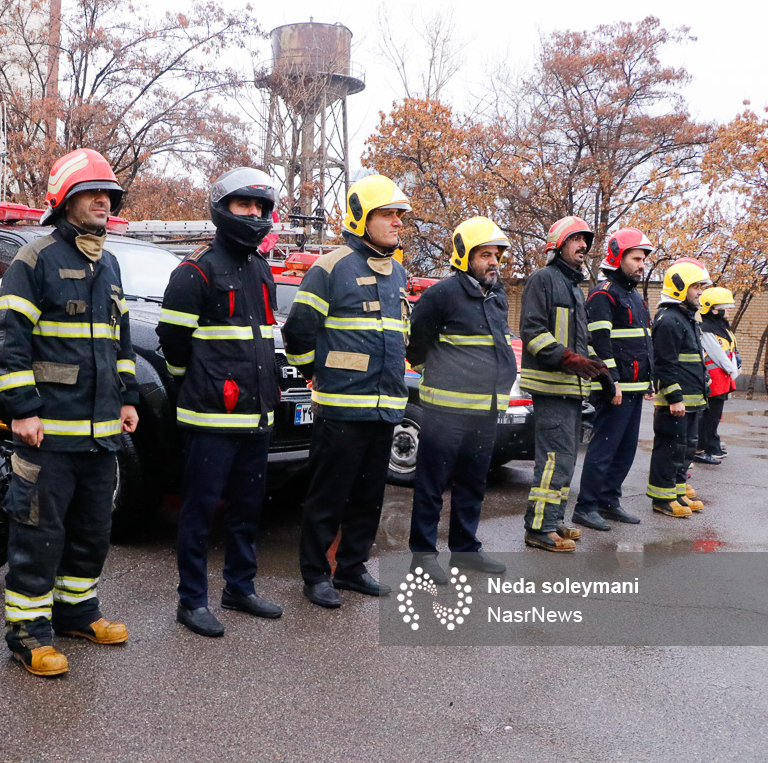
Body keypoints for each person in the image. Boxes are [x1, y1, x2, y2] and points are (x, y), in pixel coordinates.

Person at [0, 148, 139, 675]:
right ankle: (28, 632)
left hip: (100, 436)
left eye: (109, 194)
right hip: (48, 435)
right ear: (64, 200)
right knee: (38, 534)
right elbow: (9, 343)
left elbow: (120, 341)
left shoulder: (110, 263)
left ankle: (77, 611)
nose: (103, 201)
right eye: (91, 192)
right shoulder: (35, 260)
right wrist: (23, 410)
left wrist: (127, 397)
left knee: (92, 529)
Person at [157, 168, 282, 636]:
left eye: (260, 206)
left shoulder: (261, 268)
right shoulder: (196, 269)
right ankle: (191, 601)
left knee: (247, 509)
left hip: (256, 415)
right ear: (221, 208)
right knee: (199, 511)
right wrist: (201, 384)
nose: (253, 213)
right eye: (244, 204)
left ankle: (239, 588)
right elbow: (173, 343)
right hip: (210, 417)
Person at [281, 175, 410, 606]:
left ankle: (352, 568)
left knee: (369, 498)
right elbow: (298, 331)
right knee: (327, 498)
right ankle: (316, 575)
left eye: (399, 215)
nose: (397, 222)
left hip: (384, 408)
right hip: (341, 409)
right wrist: (312, 373)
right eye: (387, 214)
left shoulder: (398, 273)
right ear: (361, 218)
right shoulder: (331, 267)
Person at [404, 217, 517, 580]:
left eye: (496, 255)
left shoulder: (497, 296)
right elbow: (416, 344)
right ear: (464, 256)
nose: (493, 262)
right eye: (485, 255)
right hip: (444, 413)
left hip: (485, 412)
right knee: (432, 486)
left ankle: (465, 551)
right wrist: (437, 373)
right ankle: (423, 558)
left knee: (472, 485)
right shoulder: (441, 295)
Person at [519, 216, 612, 552]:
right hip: (551, 388)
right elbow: (532, 332)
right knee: (553, 461)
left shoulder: (573, 287)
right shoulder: (543, 279)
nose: (583, 245)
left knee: (566, 460)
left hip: (571, 390)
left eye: (585, 240)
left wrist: (600, 372)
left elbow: (582, 341)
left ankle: (554, 519)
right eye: (576, 239)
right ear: (558, 245)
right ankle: (539, 528)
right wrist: (569, 360)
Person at [573, 228, 656, 530]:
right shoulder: (603, 293)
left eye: (643, 259)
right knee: (603, 450)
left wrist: (649, 380)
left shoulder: (634, 295)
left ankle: (608, 501)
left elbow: (643, 341)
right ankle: (586, 507)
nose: (641, 265)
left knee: (624, 450)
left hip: (634, 387)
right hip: (615, 388)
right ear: (618, 257)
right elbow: (600, 342)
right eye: (636, 258)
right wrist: (612, 380)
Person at [646, 258, 712, 516]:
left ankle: (677, 492)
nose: (700, 292)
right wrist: (674, 397)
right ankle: (662, 499)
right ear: (680, 288)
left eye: (701, 287)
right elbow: (664, 363)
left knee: (685, 449)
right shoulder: (669, 319)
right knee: (670, 449)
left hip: (691, 401)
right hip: (676, 403)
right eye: (696, 287)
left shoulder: (686, 318)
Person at [696, 287, 741, 464]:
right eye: (724, 307)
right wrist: (732, 370)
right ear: (713, 309)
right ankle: (703, 447)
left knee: (714, 416)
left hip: (722, 378)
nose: (728, 310)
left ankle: (711, 444)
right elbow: (717, 354)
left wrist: (735, 366)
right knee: (709, 416)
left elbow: (729, 351)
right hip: (714, 379)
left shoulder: (722, 328)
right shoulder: (707, 329)